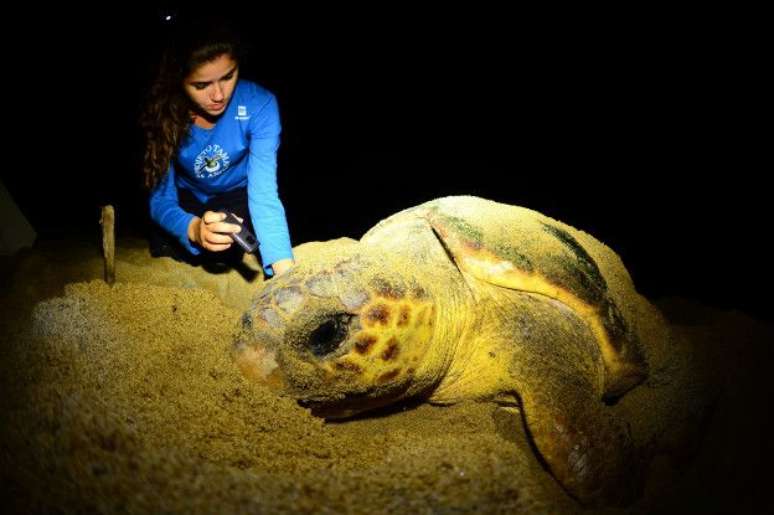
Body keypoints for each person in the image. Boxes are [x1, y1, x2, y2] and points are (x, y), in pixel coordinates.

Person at [141, 17, 294, 277]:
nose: (218, 95)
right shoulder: (162, 113)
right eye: (201, 85)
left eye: (228, 76)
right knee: (166, 244)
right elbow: (159, 200)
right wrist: (193, 229)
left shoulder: (260, 105)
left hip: (236, 195)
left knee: (227, 246)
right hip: (187, 196)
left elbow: (264, 195)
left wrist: (286, 275)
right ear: (179, 81)